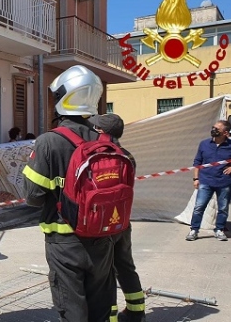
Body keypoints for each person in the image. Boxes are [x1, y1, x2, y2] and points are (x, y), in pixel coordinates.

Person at [23, 65, 118, 322]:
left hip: (64, 243)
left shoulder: (49, 142)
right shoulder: (107, 141)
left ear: (63, 98)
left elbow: (32, 196)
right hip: (102, 239)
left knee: (73, 311)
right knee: (101, 311)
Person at [90, 113, 146, 322]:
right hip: (122, 220)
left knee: (105, 272)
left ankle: (109, 316)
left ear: (101, 132)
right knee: (125, 265)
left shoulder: (100, 155)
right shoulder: (126, 155)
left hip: (103, 222)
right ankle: (136, 311)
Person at [186, 120, 231, 241]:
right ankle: (194, 230)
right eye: (213, 127)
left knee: (223, 208)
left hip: (224, 182)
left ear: (225, 133)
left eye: (217, 129)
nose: (213, 130)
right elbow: (197, 162)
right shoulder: (204, 144)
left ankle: (219, 230)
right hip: (205, 181)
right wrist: (196, 178)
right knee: (199, 207)